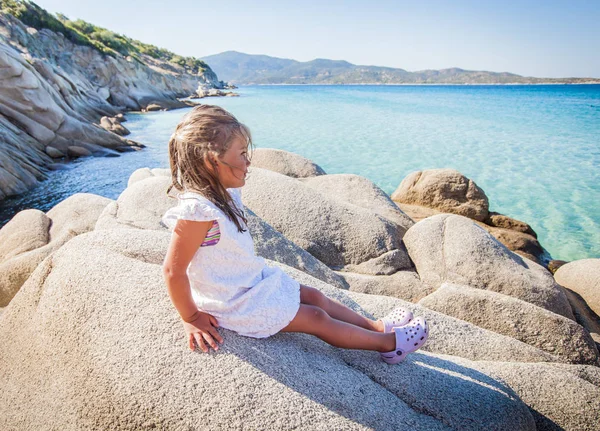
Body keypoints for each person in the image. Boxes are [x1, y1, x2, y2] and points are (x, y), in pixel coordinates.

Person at [161, 104, 429, 364]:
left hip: (249, 283)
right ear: (211, 161)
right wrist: (191, 317)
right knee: (315, 318)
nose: (248, 160)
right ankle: (390, 345)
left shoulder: (222, 194)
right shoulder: (197, 212)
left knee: (314, 296)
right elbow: (173, 270)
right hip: (233, 303)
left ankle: (377, 326)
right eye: (242, 153)